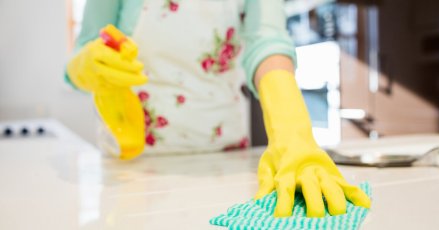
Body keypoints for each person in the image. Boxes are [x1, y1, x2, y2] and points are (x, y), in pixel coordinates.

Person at [66, 0, 371, 218]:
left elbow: (266, 39)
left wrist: (294, 134)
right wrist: (84, 65)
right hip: (131, 167)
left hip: (224, 157)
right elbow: (84, 48)